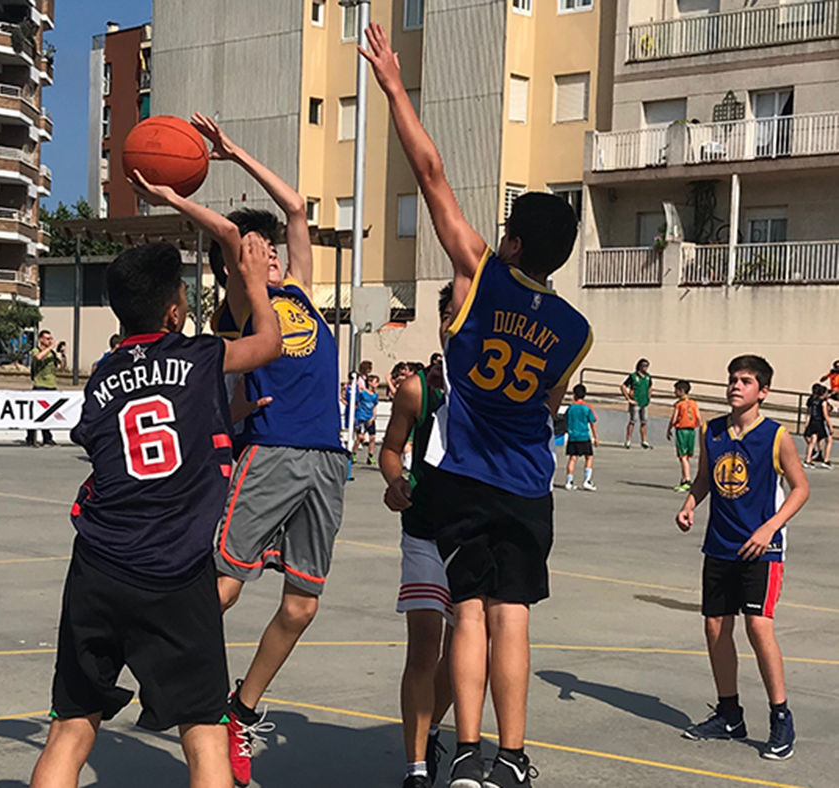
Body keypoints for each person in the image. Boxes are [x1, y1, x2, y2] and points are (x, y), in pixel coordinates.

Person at [362, 24, 593, 788]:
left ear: (516, 246)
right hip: (527, 481)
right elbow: (552, 404)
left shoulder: (481, 278)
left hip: (462, 476)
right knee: (513, 615)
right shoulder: (575, 329)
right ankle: (514, 756)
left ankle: (463, 753)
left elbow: (429, 174)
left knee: (467, 611)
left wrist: (396, 86)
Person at [133, 112, 348, 788]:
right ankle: (161, 662)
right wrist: (176, 199)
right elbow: (229, 234)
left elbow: (296, 206)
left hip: (328, 458)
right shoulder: (240, 303)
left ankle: (241, 708)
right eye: (259, 249)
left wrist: (233, 152)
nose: (272, 252)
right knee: (224, 586)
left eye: (274, 248)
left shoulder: (301, 294)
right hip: (274, 451)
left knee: (302, 605)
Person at [29, 238, 281, 788]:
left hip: (98, 565)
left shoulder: (101, 377)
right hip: (174, 568)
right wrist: (255, 279)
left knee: (71, 728)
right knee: (205, 733)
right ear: (174, 310)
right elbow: (268, 343)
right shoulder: (200, 356)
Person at [676, 355, 809, 761]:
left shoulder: (776, 436)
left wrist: (770, 527)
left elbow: (801, 488)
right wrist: (690, 503)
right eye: (733, 379)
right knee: (716, 628)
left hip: (761, 549)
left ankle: (781, 716)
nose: (736, 385)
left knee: (758, 626)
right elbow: (704, 478)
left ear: (762, 391)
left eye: (746, 381)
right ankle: (729, 714)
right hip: (719, 544)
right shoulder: (711, 430)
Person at [381, 283, 455, 788]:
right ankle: (416, 768)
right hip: (426, 530)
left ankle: (428, 725)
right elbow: (390, 449)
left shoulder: (499, 387)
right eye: (449, 313)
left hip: (476, 533)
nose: (456, 322)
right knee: (424, 645)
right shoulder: (419, 389)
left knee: (470, 648)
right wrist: (395, 481)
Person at [26, 330, 63, 447]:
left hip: (51, 386)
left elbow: (60, 367)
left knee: (49, 413)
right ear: (41, 339)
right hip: (40, 385)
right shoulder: (36, 350)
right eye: (47, 339)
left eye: (51, 338)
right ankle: (30, 437)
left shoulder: (51, 353)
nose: (50, 341)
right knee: (37, 413)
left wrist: (62, 354)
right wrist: (52, 346)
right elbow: (39, 357)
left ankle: (47, 437)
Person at [667, 380, 702, 491]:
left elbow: (674, 419)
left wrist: (668, 429)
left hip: (682, 430)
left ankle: (686, 479)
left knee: (683, 456)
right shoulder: (694, 403)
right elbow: (699, 418)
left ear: (681, 391)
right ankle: (686, 479)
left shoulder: (679, 404)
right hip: (691, 430)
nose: (674, 392)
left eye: (676, 390)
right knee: (687, 455)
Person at [564, 384, 598, 492]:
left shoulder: (570, 408)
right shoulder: (587, 407)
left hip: (573, 436)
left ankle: (569, 481)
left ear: (574, 395)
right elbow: (593, 422)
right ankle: (587, 481)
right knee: (589, 457)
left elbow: (566, 420)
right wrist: (596, 437)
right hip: (584, 436)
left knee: (572, 458)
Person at [621, 358, 653, 449]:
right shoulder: (633, 376)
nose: (645, 368)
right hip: (635, 402)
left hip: (644, 402)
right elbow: (623, 386)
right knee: (633, 420)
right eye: (644, 365)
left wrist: (649, 398)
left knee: (644, 421)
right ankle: (628, 440)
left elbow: (650, 387)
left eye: (647, 366)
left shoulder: (648, 377)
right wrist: (628, 399)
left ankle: (644, 440)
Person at [802, 383, 832, 470]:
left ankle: (807, 459)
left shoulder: (813, 401)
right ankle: (826, 460)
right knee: (828, 439)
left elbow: (810, 412)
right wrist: (830, 426)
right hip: (819, 422)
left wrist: (807, 421)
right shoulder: (823, 402)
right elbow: (825, 415)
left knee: (813, 440)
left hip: (813, 421)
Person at [354, 374, 380, 464]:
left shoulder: (375, 395)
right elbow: (356, 403)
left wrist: (373, 417)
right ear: (369, 382)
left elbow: (374, 406)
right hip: (362, 417)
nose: (377, 384)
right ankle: (353, 452)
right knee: (360, 437)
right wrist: (354, 416)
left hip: (370, 417)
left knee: (372, 437)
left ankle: (370, 456)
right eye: (375, 382)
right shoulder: (362, 393)